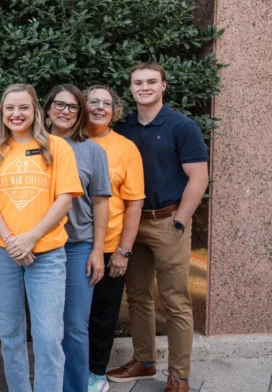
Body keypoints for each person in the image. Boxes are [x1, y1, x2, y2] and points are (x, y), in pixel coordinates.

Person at [0, 83, 83, 392]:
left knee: (48, 336)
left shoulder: (57, 148)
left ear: (35, 111)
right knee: (10, 334)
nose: (16, 114)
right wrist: (12, 241)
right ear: (1, 112)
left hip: (46, 252)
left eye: (23, 107)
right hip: (2, 252)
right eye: (10, 108)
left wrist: (30, 238)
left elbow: (64, 200)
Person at [107, 63, 209, 392]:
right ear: (131, 88)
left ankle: (179, 377)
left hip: (168, 221)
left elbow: (199, 177)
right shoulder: (123, 127)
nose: (145, 87)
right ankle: (144, 361)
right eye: (138, 82)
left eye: (152, 81)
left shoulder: (182, 126)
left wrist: (180, 220)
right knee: (137, 296)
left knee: (176, 301)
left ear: (163, 86)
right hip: (132, 223)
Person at [42, 84, 111, 392]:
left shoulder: (92, 151)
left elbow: (100, 203)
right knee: (46, 327)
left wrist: (98, 250)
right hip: (38, 248)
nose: (65, 111)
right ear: (47, 109)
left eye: (73, 107)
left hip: (76, 246)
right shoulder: (30, 144)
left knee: (74, 326)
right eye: (60, 104)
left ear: (81, 113)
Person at [83, 85, 145, 392]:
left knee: (102, 316)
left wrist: (123, 251)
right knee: (70, 317)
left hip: (109, 247)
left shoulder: (125, 148)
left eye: (105, 103)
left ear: (114, 111)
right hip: (68, 246)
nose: (99, 107)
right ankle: (70, 371)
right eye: (93, 101)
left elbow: (134, 203)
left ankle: (95, 373)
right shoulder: (65, 141)